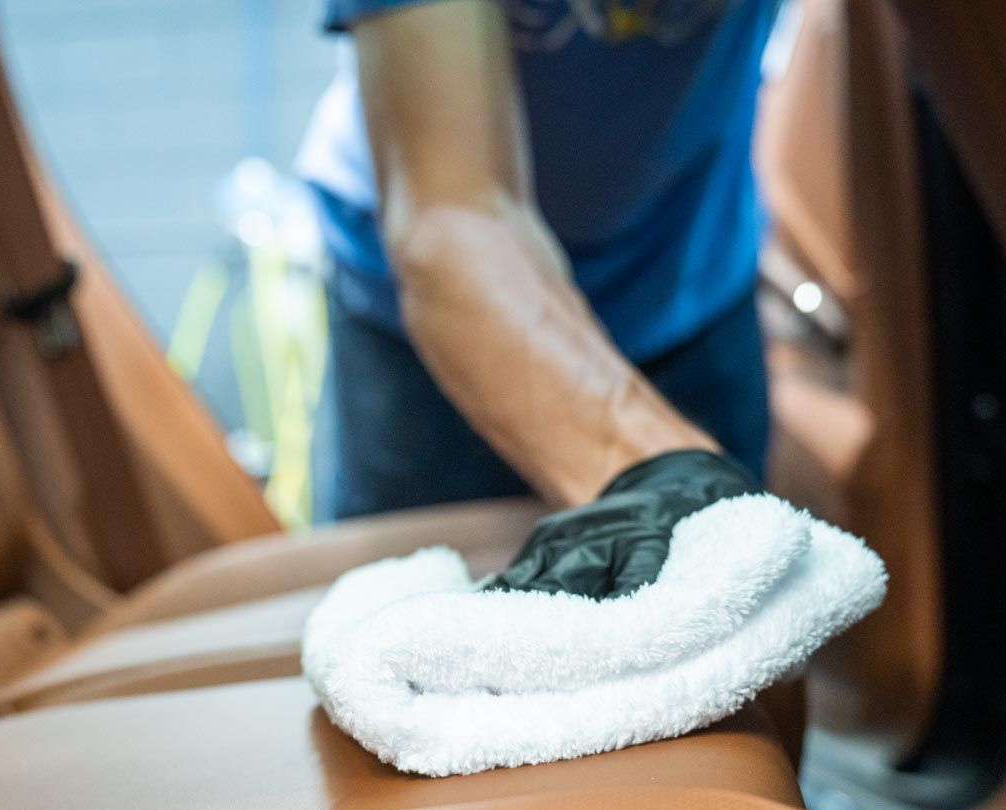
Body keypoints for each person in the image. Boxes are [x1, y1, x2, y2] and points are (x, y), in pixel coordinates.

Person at [296, 0, 778, 595]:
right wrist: (672, 475)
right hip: (429, 308)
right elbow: (455, 212)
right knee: (413, 617)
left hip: (687, 265)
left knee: (736, 612)